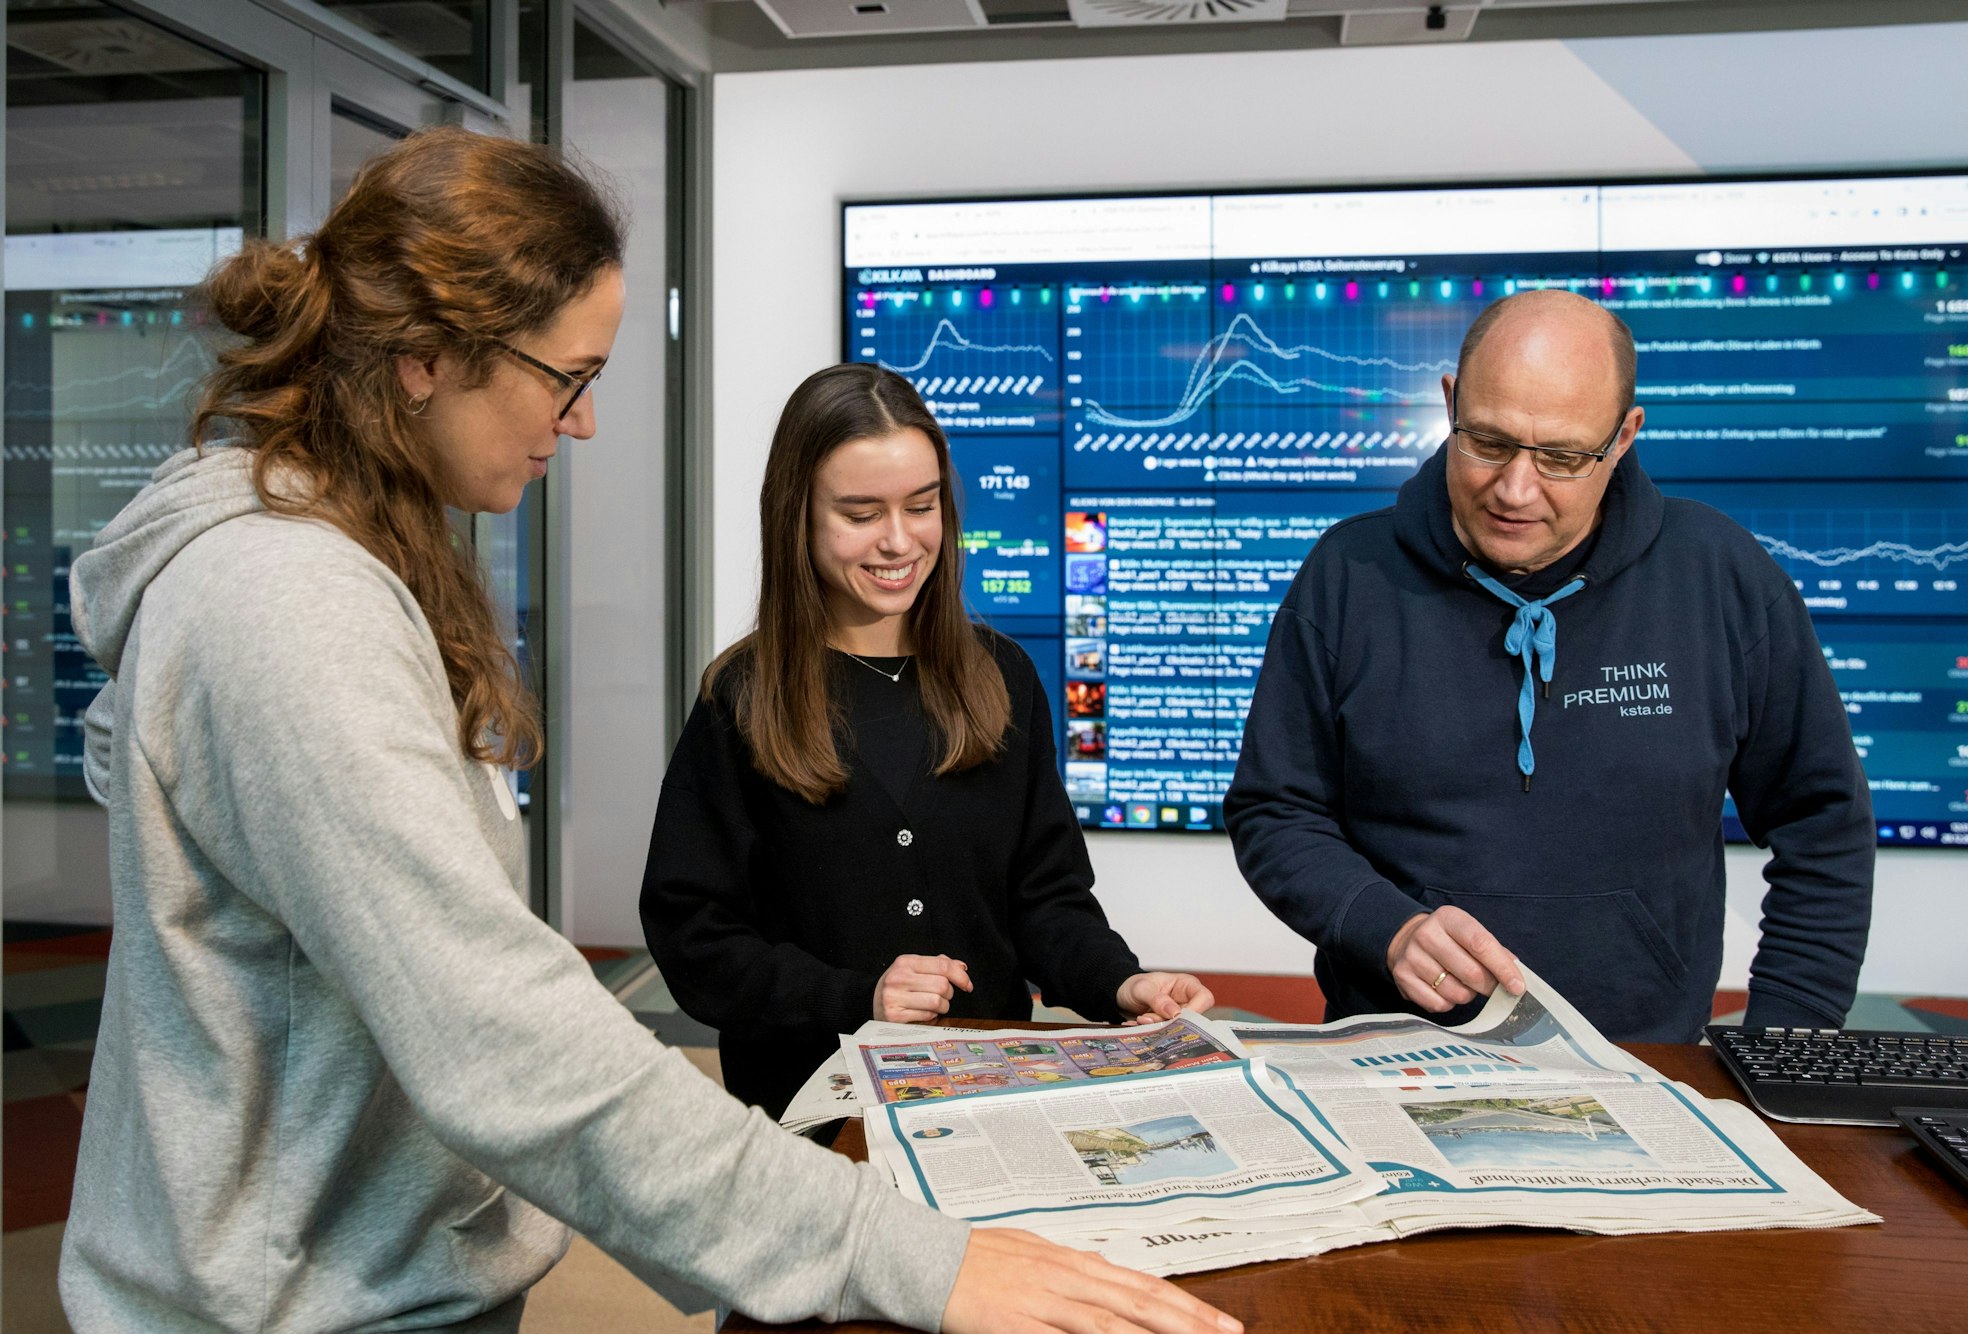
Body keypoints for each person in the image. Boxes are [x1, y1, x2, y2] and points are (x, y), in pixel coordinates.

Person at [59, 128, 1239, 1334]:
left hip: (354, 1263)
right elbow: (508, 1036)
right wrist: (892, 1251)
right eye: (568, 375)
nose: (577, 423)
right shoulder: (287, 606)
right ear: (426, 359)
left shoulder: (328, 569)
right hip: (297, 1295)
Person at [1224, 288, 1873, 1044]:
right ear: (1450, 402)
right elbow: (1274, 812)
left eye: (1562, 457)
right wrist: (1384, 927)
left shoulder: (1720, 578)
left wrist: (1787, 1041)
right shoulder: (1348, 576)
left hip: (1650, 1064)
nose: (1515, 489)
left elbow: (1823, 821)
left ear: (1624, 437)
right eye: (1488, 443)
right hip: (1390, 1064)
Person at [640, 363, 1216, 1121]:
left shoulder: (1002, 675)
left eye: (922, 505)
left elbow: (1047, 903)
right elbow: (696, 939)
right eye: (860, 513)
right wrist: (856, 996)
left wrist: (1121, 983)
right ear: (798, 515)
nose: (899, 540)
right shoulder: (742, 698)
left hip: (995, 1100)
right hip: (815, 1119)